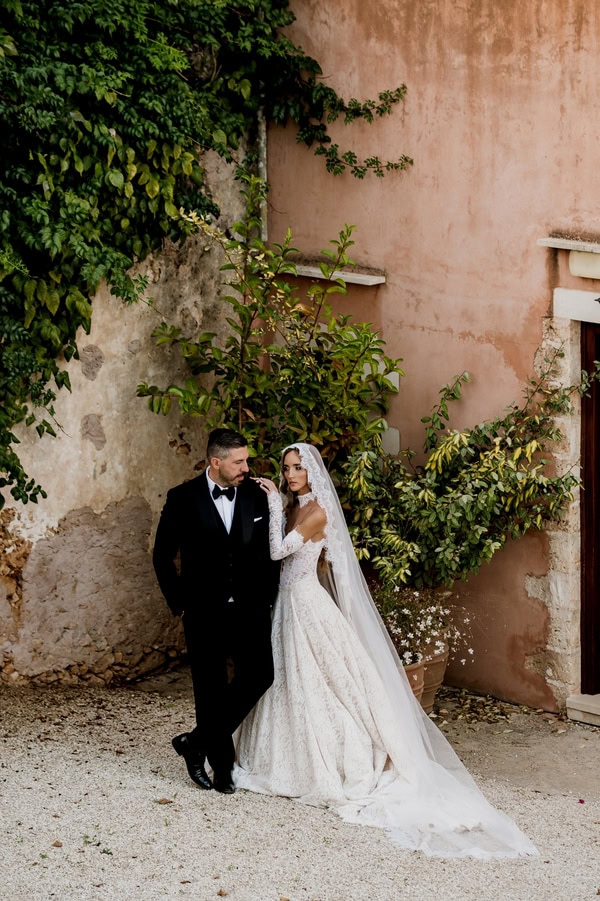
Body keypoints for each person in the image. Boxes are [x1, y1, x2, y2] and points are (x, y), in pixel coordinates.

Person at [235, 443, 538, 858]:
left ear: (313, 473)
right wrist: (279, 506)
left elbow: (277, 552)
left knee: (324, 681)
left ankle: (342, 759)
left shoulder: (316, 512)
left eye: (298, 469)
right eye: (287, 469)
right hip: (289, 606)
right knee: (291, 678)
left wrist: (271, 502)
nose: (290, 476)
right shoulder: (295, 509)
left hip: (306, 604)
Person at [152, 428, 279, 794]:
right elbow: (162, 556)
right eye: (239, 461)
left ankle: (195, 742)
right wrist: (180, 604)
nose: (246, 467)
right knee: (209, 688)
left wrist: (266, 596)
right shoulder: (182, 498)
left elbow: (270, 550)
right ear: (216, 462)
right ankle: (222, 768)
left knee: (260, 675)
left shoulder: (256, 495)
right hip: (203, 612)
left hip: (250, 607)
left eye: (247, 460)